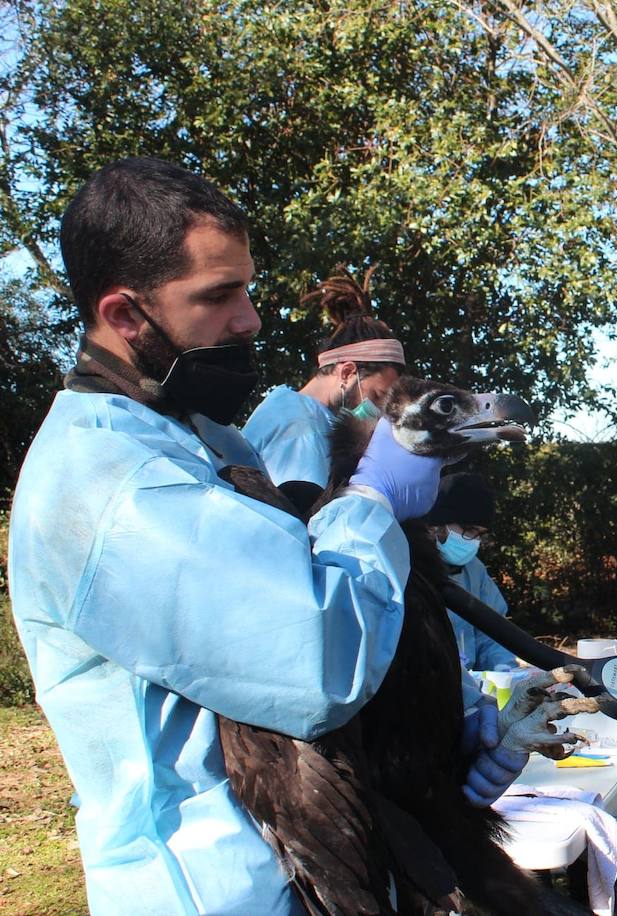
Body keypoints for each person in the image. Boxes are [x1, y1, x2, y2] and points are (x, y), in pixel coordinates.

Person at [5, 157, 517, 915]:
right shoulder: (114, 486)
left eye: (246, 288)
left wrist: (435, 725)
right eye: (219, 296)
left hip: (319, 853)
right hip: (222, 888)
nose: (250, 319)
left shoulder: (203, 443)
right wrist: (372, 497)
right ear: (123, 315)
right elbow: (317, 660)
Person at [242, 268, 405, 488]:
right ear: (347, 373)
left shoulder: (297, 410)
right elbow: (308, 517)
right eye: (377, 396)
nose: (376, 413)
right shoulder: (301, 430)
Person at [423, 472, 520, 671]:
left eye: (480, 534)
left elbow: (495, 633)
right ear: (436, 525)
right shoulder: (409, 568)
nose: (474, 540)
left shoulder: (475, 571)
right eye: (469, 530)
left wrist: (503, 669)